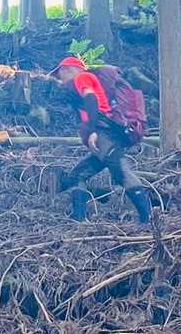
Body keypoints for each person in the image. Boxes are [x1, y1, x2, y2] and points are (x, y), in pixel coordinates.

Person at [52, 55, 153, 223]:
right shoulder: (81, 81)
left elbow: (91, 99)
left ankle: (148, 218)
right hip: (104, 135)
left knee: (121, 172)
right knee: (78, 175)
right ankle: (78, 219)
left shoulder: (82, 78)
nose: (60, 78)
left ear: (68, 69)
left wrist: (92, 131)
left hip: (104, 134)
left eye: (60, 73)